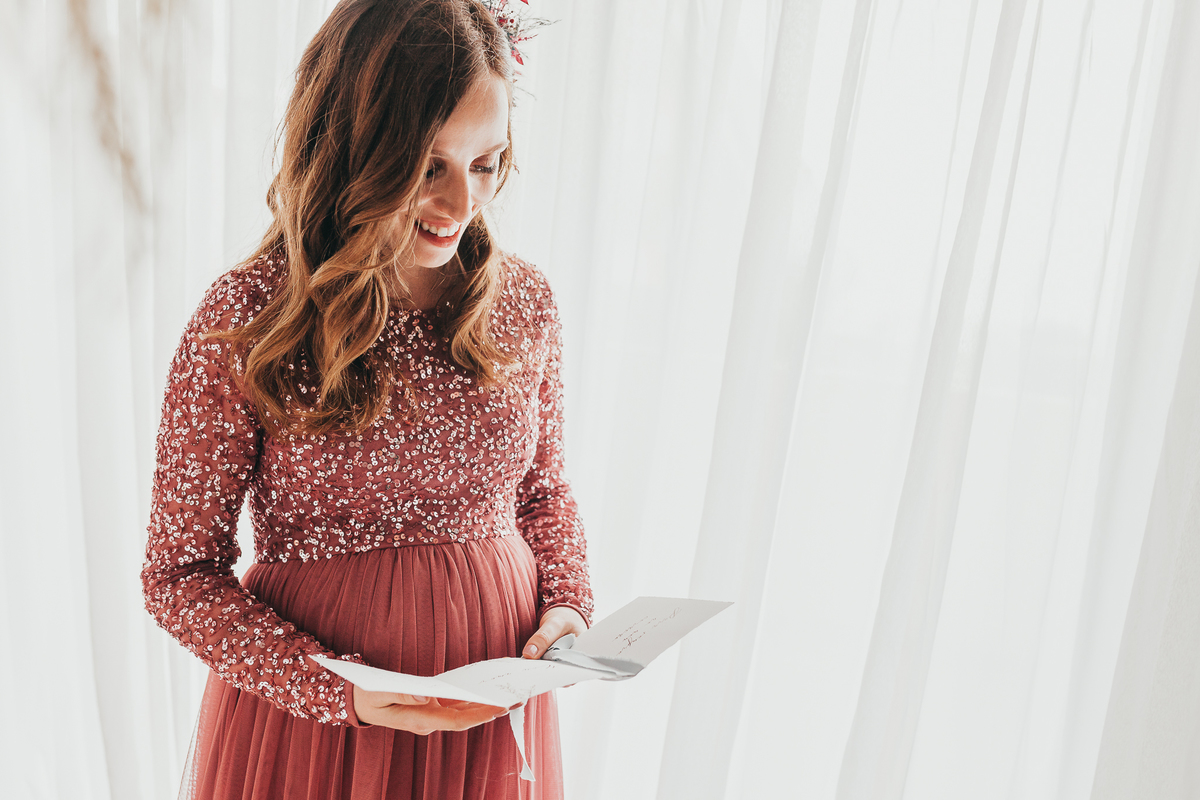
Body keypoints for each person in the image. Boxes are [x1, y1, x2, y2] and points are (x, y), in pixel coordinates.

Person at [140, 1, 593, 797]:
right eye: (428, 166)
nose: (461, 203)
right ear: (355, 146)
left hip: (489, 726)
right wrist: (332, 689)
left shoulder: (524, 301)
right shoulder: (250, 318)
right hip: (317, 734)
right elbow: (179, 573)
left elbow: (542, 492)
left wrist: (568, 604)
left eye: (486, 163)